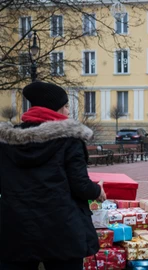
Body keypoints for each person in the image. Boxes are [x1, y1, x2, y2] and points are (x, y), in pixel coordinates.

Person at [0, 81, 106, 270]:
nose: (67, 112)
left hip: (16, 229)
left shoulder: (6, 141)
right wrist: (97, 190)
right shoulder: (69, 139)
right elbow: (80, 185)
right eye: (65, 106)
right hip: (61, 229)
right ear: (55, 108)